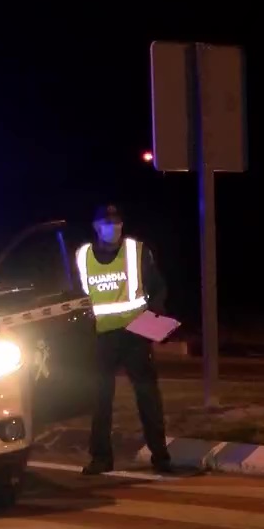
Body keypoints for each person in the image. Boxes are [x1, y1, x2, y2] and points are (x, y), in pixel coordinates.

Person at [74, 204, 173, 475]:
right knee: (100, 399)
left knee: (147, 396)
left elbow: (158, 287)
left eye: (116, 222)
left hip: (136, 334)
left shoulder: (137, 251)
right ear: (96, 227)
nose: (113, 227)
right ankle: (101, 458)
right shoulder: (82, 256)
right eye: (107, 222)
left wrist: (156, 316)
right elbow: (77, 296)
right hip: (102, 337)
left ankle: (161, 457)